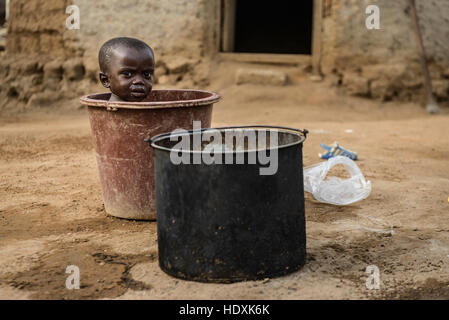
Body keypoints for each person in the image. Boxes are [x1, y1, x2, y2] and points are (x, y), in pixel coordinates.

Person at [98, 37, 155, 102]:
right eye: (127, 74)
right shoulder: (103, 112)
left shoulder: (152, 110)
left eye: (146, 74)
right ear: (105, 80)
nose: (139, 81)